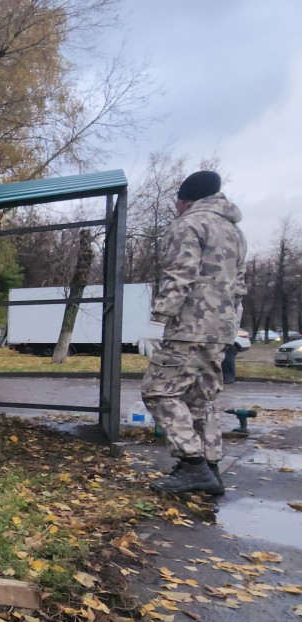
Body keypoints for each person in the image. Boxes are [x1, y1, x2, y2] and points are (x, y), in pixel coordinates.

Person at [137, 171, 248, 495]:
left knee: (158, 391)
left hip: (189, 326)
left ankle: (193, 465)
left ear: (185, 200)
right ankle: (211, 469)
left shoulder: (190, 223)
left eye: (177, 201)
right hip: (221, 329)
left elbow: (180, 276)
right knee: (201, 398)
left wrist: (157, 321)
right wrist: (228, 324)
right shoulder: (235, 232)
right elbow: (239, 286)